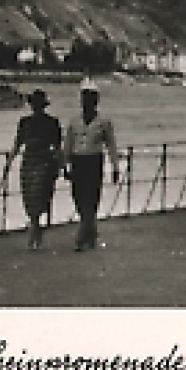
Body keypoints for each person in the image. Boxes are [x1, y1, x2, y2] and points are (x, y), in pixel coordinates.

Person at [64, 78, 120, 251]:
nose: (86, 102)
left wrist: (115, 166)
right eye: (84, 98)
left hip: (94, 160)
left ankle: (81, 237)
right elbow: (67, 144)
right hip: (77, 160)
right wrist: (64, 165)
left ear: (96, 101)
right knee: (78, 197)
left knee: (91, 197)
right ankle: (91, 233)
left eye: (90, 98)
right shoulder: (74, 121)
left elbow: (111, 144)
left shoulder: (104, 122)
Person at [9, 88, 63, 249]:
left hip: (43, 161)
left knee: (40, 194)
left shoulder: (51, 122)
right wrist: (10, 161)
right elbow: (18, 143)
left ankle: (35, 227)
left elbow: (58, 146)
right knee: (30, 195)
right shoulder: (25, 122)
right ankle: (35, 226)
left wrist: (62, 165)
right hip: (30, 161)